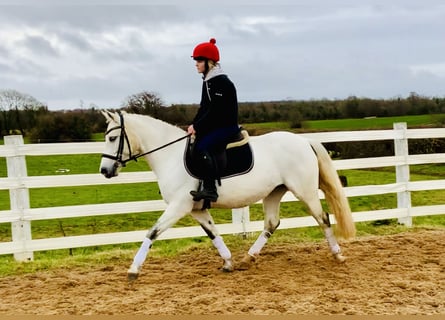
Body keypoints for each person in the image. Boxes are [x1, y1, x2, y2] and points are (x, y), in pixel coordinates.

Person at [188, 38, 240, 203]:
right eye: (196, 60)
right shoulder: (208, 81)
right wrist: (193, 125)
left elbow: (216, 111)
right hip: (217, 125)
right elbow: (204, 107)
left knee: (203, 146)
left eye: (199, 60)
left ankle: (210, 190)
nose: (196, 64)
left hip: (227, 127)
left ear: (209, 62)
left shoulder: (221, 82)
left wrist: (198, 126)